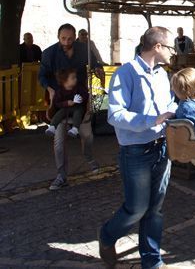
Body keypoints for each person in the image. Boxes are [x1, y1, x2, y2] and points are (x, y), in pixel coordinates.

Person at [98, 26, 178, 269]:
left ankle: (152, 261)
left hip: (162, 149)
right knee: (136, 209)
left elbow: (169, 104)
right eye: (171, 47)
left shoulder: (163, 75)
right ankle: (107, 236)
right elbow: (116, 115)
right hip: (136, 152)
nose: (174, 53)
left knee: (155, 210)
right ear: (158, 47)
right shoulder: (125, 73)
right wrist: (151, 120)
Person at [38, 23, 103, 190]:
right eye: (63, 38)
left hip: (80, 97)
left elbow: (95, 63)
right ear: (58, 37)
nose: (67, 42)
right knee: (59, 141)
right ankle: (61, 175)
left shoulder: (82, 49)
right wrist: (50, 90)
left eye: (70, 38)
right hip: (60, 101)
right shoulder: (49, 53)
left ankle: (89, 157)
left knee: (87, 136)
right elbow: (42, 76)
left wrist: (97, 69)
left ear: (75, 37)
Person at [45, 69, 88, 138]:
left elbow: (85, 95)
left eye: (75, 77)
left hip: (78, 107)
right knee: (60, 113)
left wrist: (81, 98)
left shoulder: (79, 88)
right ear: (65, 81)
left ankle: (75, 129)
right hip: (65, 108)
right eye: (73, 78)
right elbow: (57, 103)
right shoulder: (60, 91)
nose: (75, 79)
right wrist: (66, 103)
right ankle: (52, 126)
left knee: (78, 112)